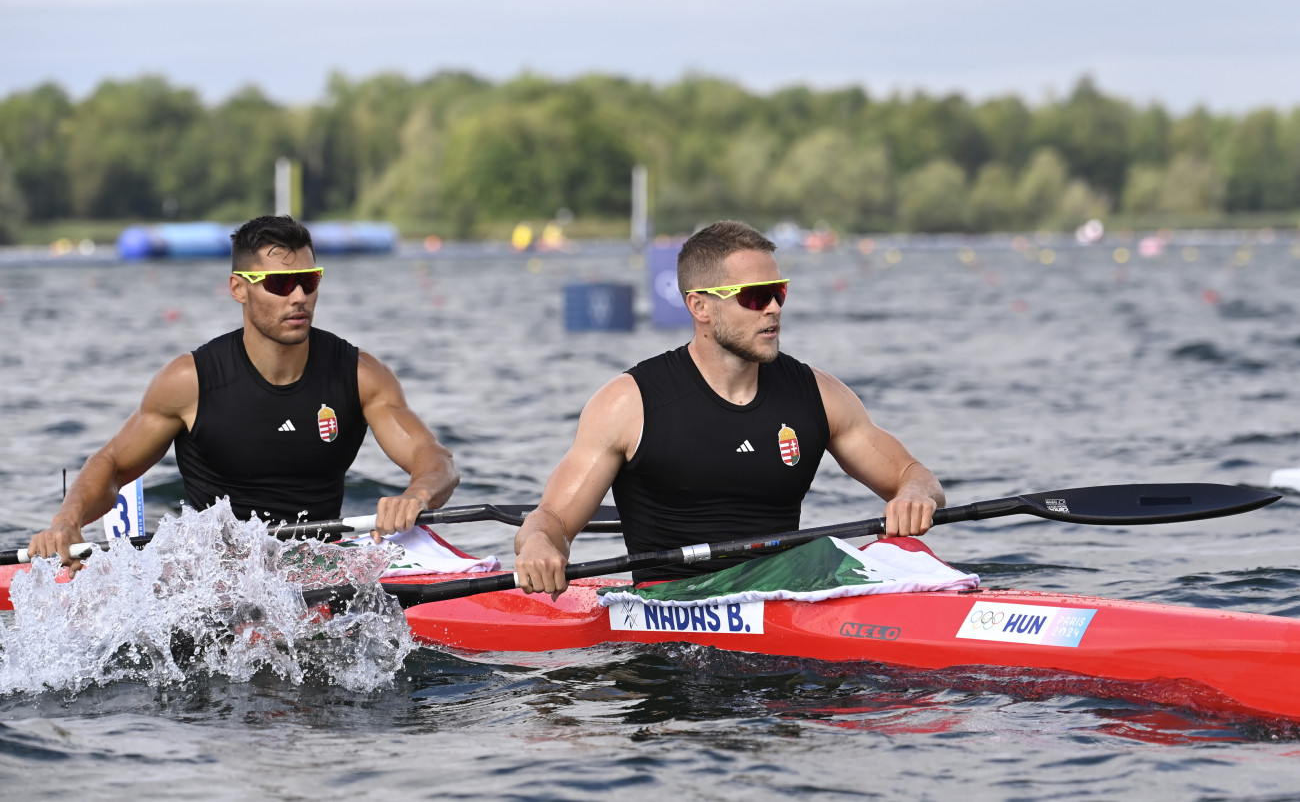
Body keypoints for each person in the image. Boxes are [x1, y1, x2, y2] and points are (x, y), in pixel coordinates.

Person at [514, 220, 943, 596]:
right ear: (700, 306)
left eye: (778, 292)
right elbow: (552, 519)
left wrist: (915, 494)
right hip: (676, 601)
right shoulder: (629, 404)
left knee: (902, 549)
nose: (773, 308)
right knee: (827, 553)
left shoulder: (819, 393)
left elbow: (913, 475)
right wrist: (537, 545)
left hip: (784, 591)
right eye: (754, 297)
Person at [29, 215, 459, 571]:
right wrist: (67, 522)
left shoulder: (362, 374)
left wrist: (417, 495)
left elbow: (435, 459)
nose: (299, 297)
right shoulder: (189, 381)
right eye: (279, 284)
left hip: (316, 564)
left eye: (309, 281)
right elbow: (112, 465)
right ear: (239, 288)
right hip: (216, 571)